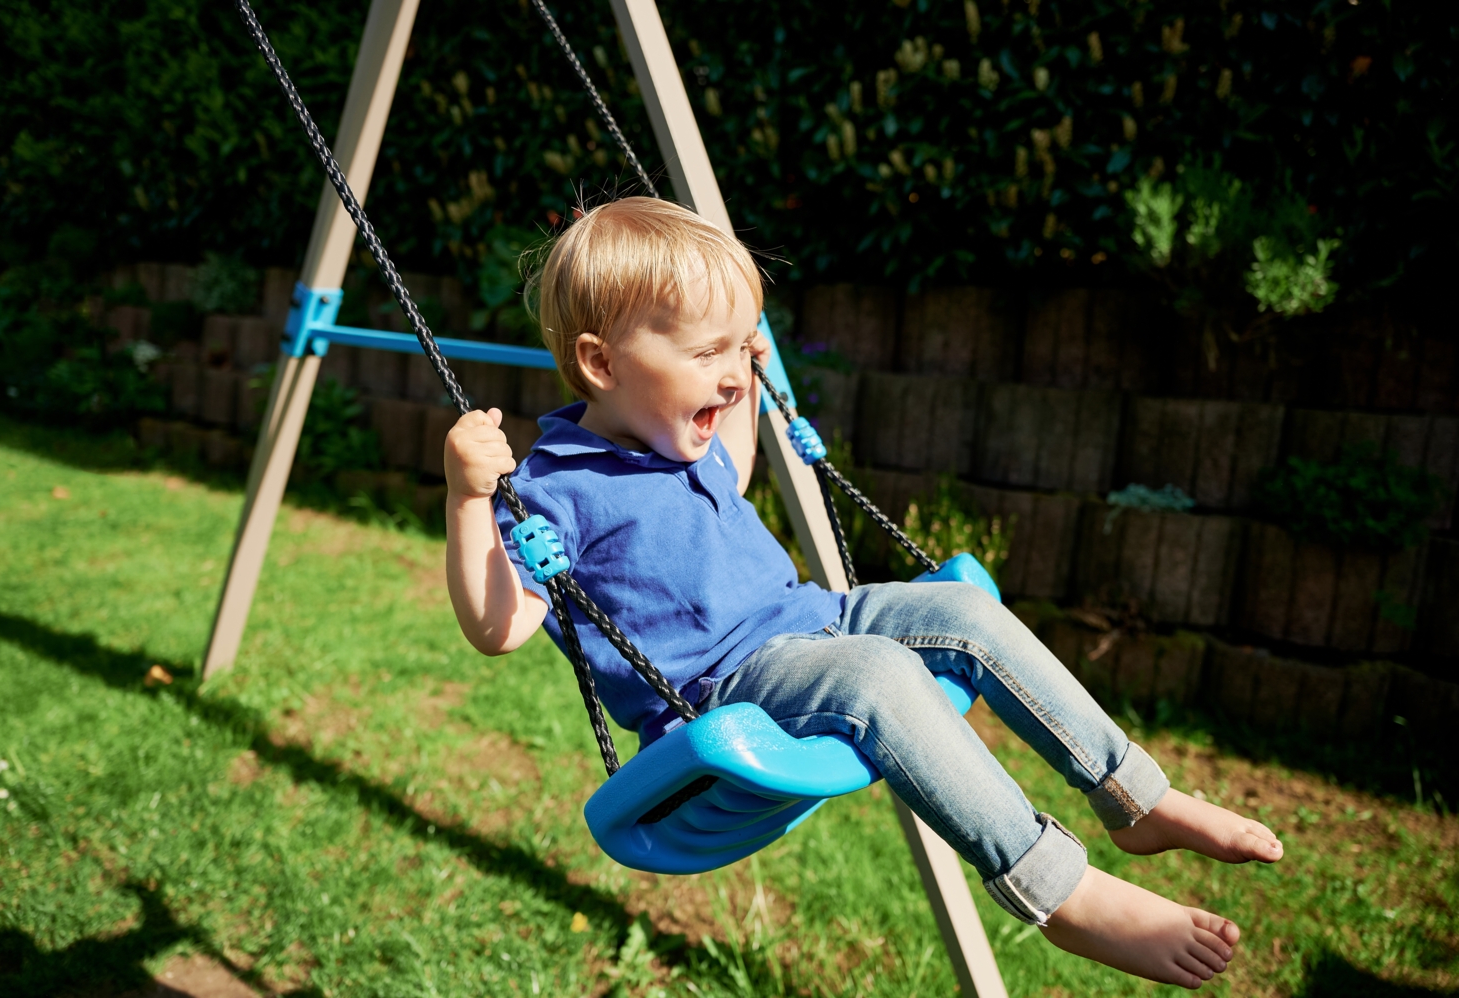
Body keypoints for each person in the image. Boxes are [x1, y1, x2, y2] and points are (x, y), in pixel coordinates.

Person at [442, 197, 1282, 989]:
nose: (734, 374)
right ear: (600, 363)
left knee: (961, 612)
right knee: (878, 674)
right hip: (724, 690)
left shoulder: (679, 436)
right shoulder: (557, 487)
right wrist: (468, 497)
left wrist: (746, 378)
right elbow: (499, 626)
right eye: (709, 354)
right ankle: (1059, 890)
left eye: (742, 348)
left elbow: (728, 460)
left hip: (819, 619)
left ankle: (1136, 796)